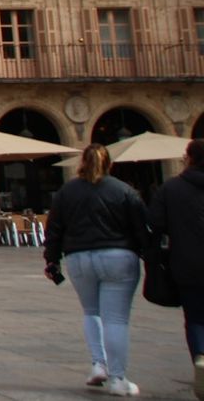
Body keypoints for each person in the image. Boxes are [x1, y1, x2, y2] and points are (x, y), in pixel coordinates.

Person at [44, 143, 150, 396]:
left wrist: (51, 260)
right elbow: (141, 228)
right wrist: (151, 257)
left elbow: (54, 229)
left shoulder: (66, 192)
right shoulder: (124, 191)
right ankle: (117, 378)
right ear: (109, 163)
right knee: (116, 319)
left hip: (79, 258)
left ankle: (98, 365)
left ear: (82, 162)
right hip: (118, 256)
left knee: (91, 312)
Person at [147, 138, 204, 399]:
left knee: (195, 320)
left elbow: (154, 226)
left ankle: (201, 366)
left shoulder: (171, 189)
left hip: (188, 265)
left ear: (188, 158)